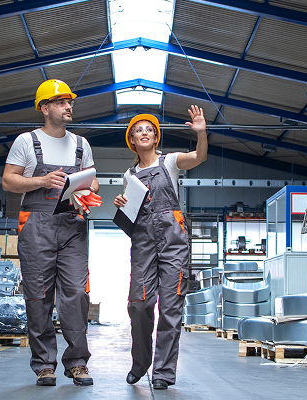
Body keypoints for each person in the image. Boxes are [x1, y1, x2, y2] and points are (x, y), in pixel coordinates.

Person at [1, 79, 100, 387]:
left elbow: (94, 183)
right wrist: (42, 182)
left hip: (72, 226)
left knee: (76, 295)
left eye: (69, 102)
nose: (68, 106)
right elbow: (8, 181)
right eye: (60, 102)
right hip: (36, 226)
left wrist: (86, 192)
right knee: (38, 296)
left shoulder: (81, 144)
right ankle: (45, 364)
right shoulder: (26, 142)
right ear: (45, 108)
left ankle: (77, 362)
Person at [113, 106, 209, 390]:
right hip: (143, 242)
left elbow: (199, 157)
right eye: (138, 130)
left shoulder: (170, 162)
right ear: (132, 139)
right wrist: (121, 203)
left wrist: (201, 133)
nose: (144, 133)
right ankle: (140, 363)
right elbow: (131, 213)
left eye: (149, 129)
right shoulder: (128, 175)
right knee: (139, 305)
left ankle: (164, 373)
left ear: (155, 137)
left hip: (173, 242)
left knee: (170, 309)